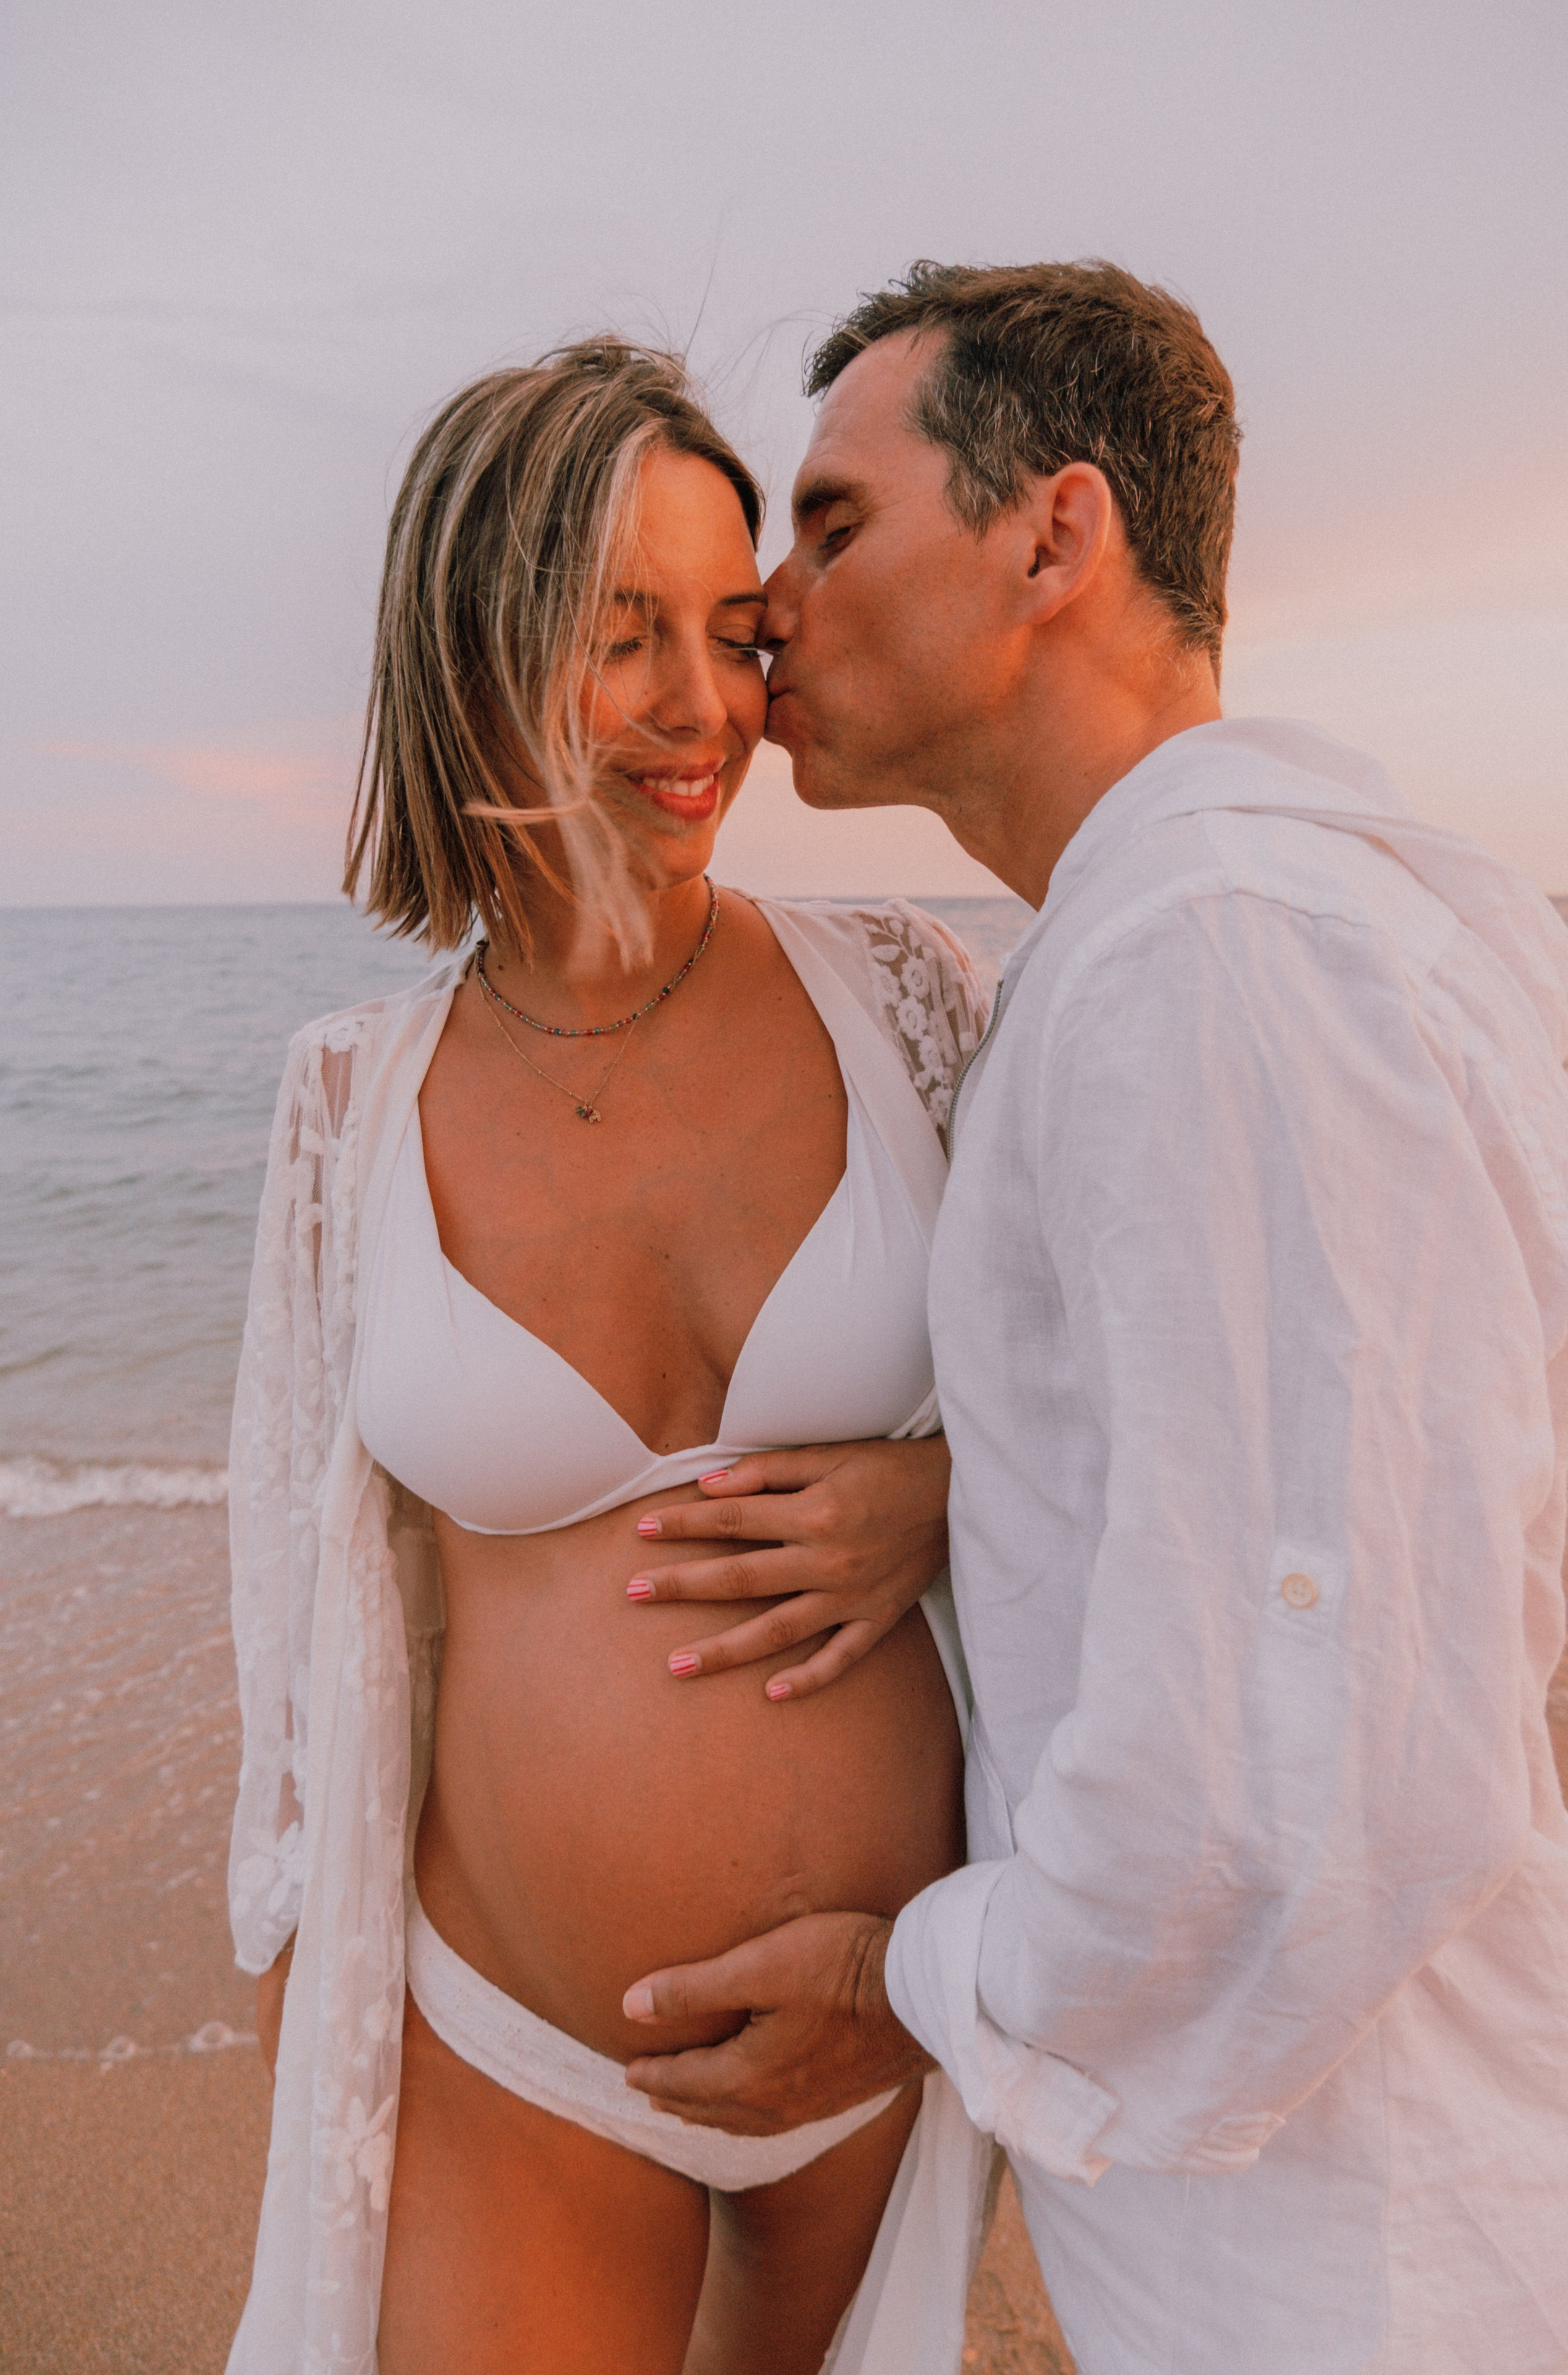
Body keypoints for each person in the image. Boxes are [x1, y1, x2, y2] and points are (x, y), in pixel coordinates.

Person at [622, 263, 1568, 2372]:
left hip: (1362, 2277)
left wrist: (906, 1980)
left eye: (836, 523)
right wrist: (958, 1493)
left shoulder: (1217, 959)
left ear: (1059, 534)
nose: (772, 605)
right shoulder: (1209, 930)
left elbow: (1296, 1777)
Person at [223, 341, 999, 2375]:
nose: (703, 708)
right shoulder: (348, 1108)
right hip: (523, 2059)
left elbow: (1132, 1406)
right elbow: (302, 1649)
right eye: (619, 636)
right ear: (471, 650)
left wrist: (949, 1490)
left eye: (733, 631)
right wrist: (311, 2077)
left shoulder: (911, 1002)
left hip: (890, 2027)